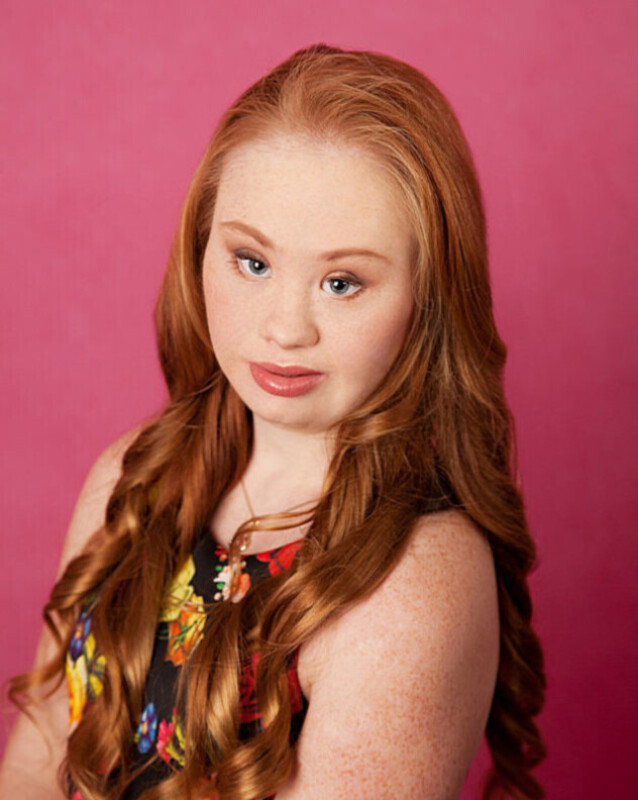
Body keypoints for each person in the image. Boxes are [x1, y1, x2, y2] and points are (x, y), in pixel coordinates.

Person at [0, 43, 546, 800]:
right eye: (252, 262)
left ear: (429, 298)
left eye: (342, 282)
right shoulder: (135, 476)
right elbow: (38, 758)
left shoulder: (412, 582)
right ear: (200, 250)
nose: (286, 329)